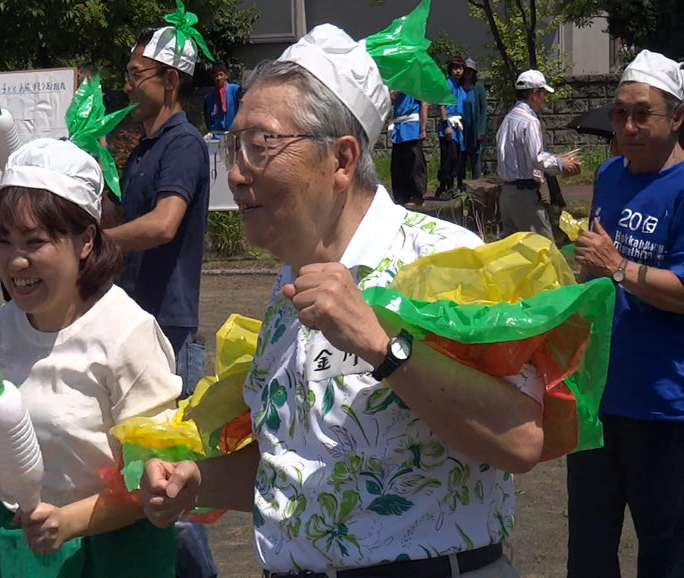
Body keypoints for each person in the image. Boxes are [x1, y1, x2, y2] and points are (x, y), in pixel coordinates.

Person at [139, 24, 547, 577]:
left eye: (260, 145)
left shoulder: (445, 260)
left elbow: (521, 439)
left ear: (341, 160)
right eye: (234, 146)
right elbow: (296, 463)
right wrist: (197, 480)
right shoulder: (288, 286)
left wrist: (383, 349)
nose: (235, 173)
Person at [0, 137, 180, 577]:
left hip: (112, 554)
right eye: (4, 241)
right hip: (14, 548)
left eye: (35, 242)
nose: (15, 262)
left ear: (86, 240)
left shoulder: (127, 333)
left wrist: (69, 522)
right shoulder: (2, 328)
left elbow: (156, 480)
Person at [103, 19, 216, 578]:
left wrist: (100, 241)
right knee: (139, 473)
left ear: (171, 79)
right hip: (134, 320)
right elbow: (124, 220)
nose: (127, 85)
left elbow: (164, 223)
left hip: (167, 326)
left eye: (136, 74)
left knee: (170, 482)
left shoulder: (183, 145)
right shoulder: (144, 146)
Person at [568, 49, 684, 578]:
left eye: (643, 113)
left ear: (677, 117)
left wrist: (617, 267)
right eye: (620, 113)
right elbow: (595, 270)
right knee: (589, 545)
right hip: (595, 395)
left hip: (662, 403)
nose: (628, 126)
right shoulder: (610, 174)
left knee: (665, 547)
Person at [495, 70, 581, 240]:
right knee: (543, 246)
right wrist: (561, 163)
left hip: (506, 194)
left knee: (513, 248)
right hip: (524, 195)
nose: (545, 99)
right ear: (535, 94)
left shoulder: (508, 119)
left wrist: (555, 158)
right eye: (543, 94)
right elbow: (536, 158)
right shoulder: (530, 121)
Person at [388, 90, 428, 206]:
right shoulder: (398, 84)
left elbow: (424, 104)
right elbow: (391, 98)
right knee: (398, 162)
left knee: (414, 162)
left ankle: (417, 195)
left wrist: (423, 128)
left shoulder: (416, 85)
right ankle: (401, 195)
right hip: (399, 125)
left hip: (412, 125)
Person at [435, 56, 466, 199]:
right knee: (448, 157)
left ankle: (451, 186)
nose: (458, 71)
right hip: (448, 124)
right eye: (455, 68)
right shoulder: (447, 84)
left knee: (456, 158)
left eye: (460, 68)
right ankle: (442, 186)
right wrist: (446, 125)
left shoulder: (460, 86)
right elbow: (442, 105)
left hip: (457, 126)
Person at [459, 58, 487, 181]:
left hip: (474, 129)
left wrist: (481, 130)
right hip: (461, 128)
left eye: (471, 71)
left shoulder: (478, 87)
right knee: (461, 158)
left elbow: (483, 109)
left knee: (475, 158)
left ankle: (477, 185)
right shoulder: (458, 87)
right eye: (466, 70)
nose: (468, 73)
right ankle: (461, 185)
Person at [203, 62, 241, 134]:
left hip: (233, 132)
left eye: (221, 75)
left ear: (226, 76)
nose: (219, 78)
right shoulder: (209, 97)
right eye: (216, 76)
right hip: (216, 133)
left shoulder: (235, 90)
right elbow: (207, 117)